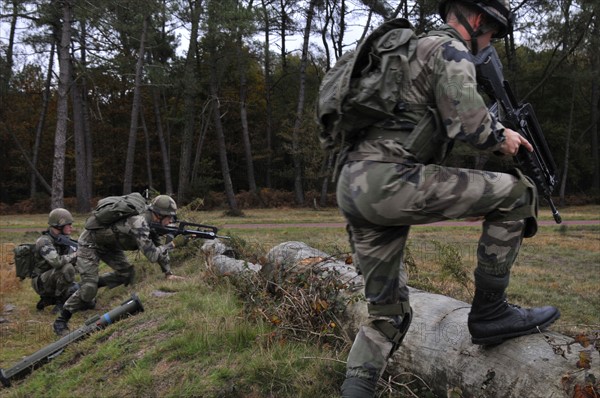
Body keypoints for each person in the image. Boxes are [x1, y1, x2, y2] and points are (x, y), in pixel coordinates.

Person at [336, 1, 560, 396]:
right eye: (491, 33)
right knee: (516, 193)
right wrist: (503, 137)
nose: (488, 42)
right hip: (391, 181)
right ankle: (491, 312)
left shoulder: (406, 55)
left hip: (354, 186)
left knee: (388, 317)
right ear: (476, 20)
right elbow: (470, 125)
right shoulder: (448, 48)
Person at [53, 195, 186, 336]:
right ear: (159, 215)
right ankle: (61, 320)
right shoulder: (139, 223)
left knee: (127, 274)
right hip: (90, 244)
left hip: (109, 245)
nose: (171, 221)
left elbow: (158, 245)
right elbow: (153, 255)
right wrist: (173, 245)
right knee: (89, 289)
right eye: (169, 217)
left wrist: (168, 273)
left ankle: (82, 287)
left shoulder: (152, 222)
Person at [32, 208, 79, 312]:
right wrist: (76, 254)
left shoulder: (64, 239)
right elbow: (57, 262)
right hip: (41, 282)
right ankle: (60, 302)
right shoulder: (44, 241)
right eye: (69, 224)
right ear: (59, 225)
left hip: (53, 277)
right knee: (68, 268)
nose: (71, 227)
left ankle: (48, 300)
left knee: (88, 300)